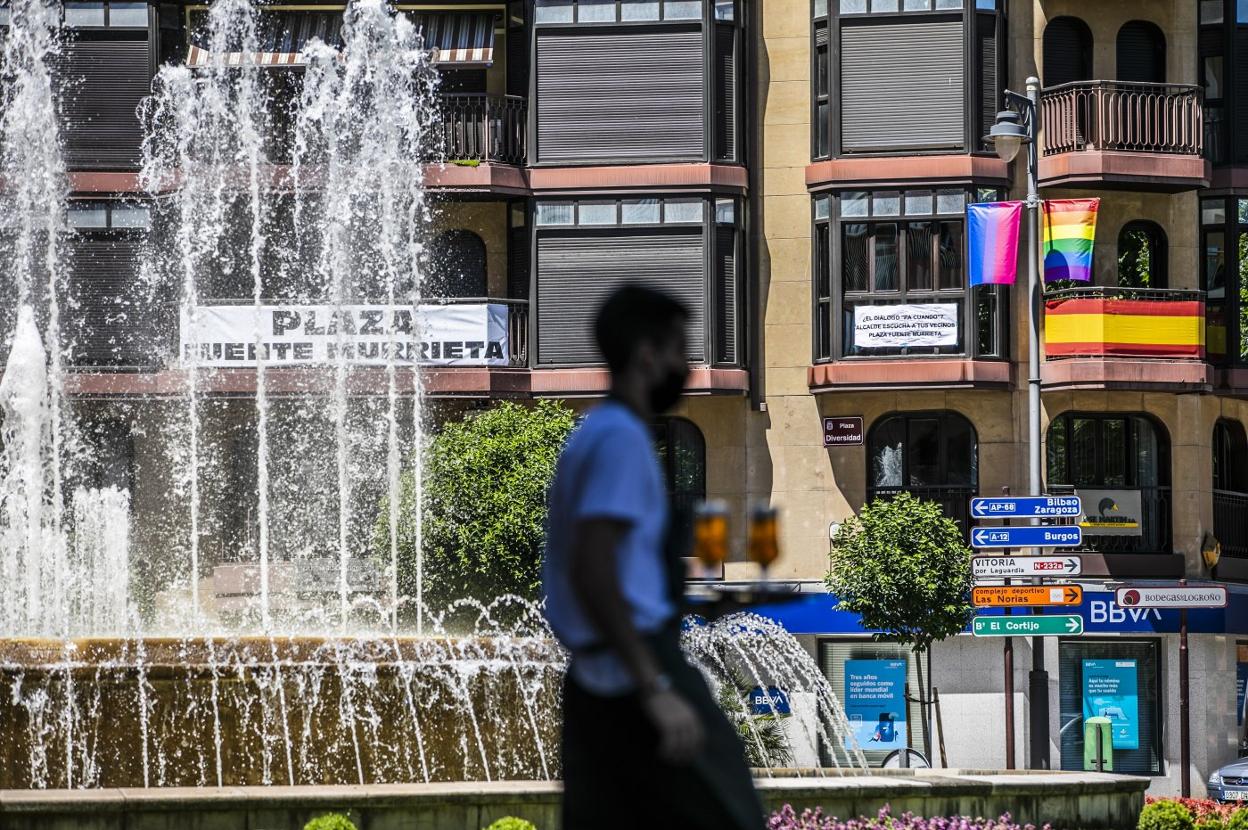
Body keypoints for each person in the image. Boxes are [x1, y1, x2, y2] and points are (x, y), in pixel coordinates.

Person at [542, 285, 764, 830]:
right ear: (647, 355)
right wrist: (655, 687)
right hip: (632, 678)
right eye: (678, 350)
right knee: (731, 812)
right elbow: (595, 569)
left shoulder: (596, 433)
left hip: (602, 681)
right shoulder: (619, 438)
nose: (684, 366)